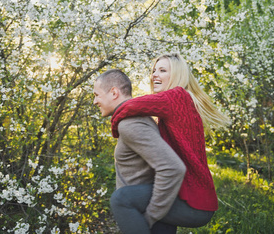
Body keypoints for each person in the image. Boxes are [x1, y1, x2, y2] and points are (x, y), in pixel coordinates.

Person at [111, 53, 230, 232]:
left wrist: (115, 126)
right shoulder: (179, 102)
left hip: (193, 202)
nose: (154, 75)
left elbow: (130, 105)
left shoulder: (177, 96)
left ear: (176, 75)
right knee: (158, 208)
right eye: (154, 70)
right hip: (187, 196)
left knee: (122, 199)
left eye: (162, 70)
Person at [93, 69, 186, 234]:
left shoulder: (130, 123)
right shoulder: (137, 118)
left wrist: (151, 216)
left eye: (97, 95)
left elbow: (172, 167)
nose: (95, 101)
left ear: (114, 92)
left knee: (119, 200)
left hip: (149, 214)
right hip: (148, 210)